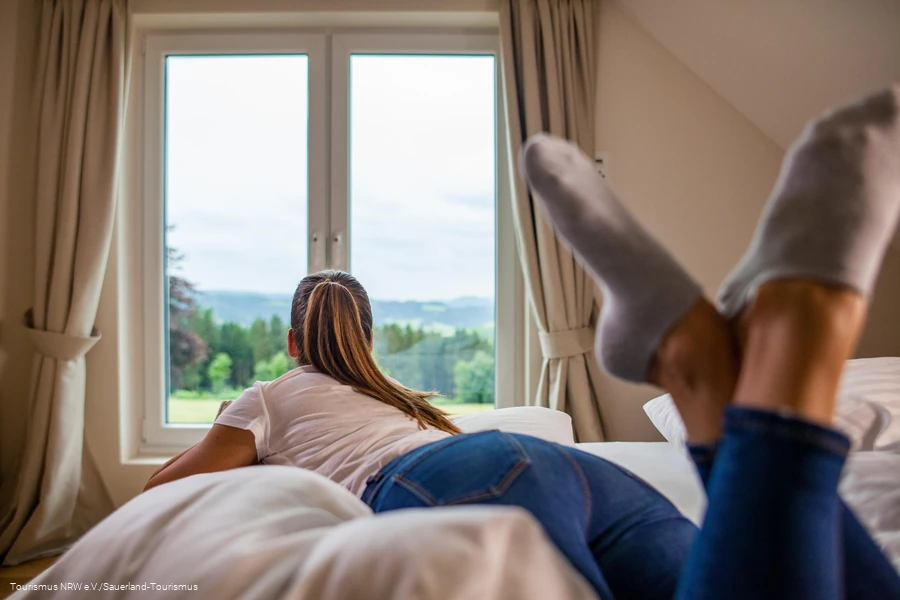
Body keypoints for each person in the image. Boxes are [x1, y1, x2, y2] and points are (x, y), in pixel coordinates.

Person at [145, 84, 900, 599]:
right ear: (368, 337)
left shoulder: (267, 398)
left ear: (288, 339)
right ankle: (729, 389)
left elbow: (160, 498)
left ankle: (736, 373)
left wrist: (233, 433)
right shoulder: (391, 394)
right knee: (746, 571)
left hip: (455, 486)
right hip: (549, 465)